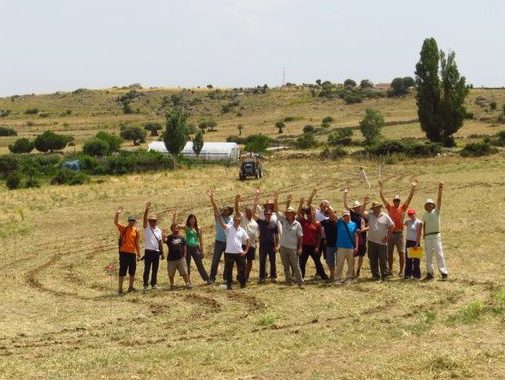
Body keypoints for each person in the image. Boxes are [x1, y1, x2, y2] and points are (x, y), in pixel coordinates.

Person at [379, 179, 417, 277]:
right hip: (391, 233)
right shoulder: (389, 207)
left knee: (401, 252)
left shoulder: (402, 208)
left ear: (399, 201)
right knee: (390, 253)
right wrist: (381, 187)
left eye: (398, 200)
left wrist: (413, 188)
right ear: (393, 201)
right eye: (395, 200)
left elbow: (409, 199)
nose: (396, 201)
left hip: (399, 233)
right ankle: (390, 270)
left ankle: (401, 271)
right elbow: (382, 198)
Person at [214, 205, 250, 290]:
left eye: (238, 220)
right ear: (233, 220)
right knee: (228, 269)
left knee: (241, 269)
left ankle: (242, 284)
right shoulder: (229, 228)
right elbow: (222, 225)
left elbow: (247, 240)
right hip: (229, 252)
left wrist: (246, 251)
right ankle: (229, 284)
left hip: (239, 253)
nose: (236, 221)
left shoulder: (242, 230)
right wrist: (219, 217)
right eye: (235, 220)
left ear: (240, 221)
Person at [274, 194, 304, 288]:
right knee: (286, 266)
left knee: (296, 266)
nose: (289, 214)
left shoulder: (297, 224)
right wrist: (276, 199)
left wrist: (300, 248)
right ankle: (289, 281)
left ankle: (300, 282)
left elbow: (300, 237)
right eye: (287, 213)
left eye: (291, 213)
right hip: (283, 247)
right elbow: (276, 210)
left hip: (293, 248)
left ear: (293, 214)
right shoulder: (283, 221)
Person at [360, 201, 395, 281]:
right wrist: (364, 202)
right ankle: (375, 275)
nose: (375, 209)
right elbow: (361, 212)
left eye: (377, 207)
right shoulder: (370, 215)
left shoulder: (385, 216)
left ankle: (384, 275)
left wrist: (387, 237)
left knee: (383, 259)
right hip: (371, 241)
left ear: (380, 207)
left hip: (382, 242)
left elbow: (392, 226)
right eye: (374, 208)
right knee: (373, 259)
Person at [173, 211, 210, 285]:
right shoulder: (186, 227)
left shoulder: (198, 228)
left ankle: (207, 279)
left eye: (193, 219)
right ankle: (188, 281)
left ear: (195, 220)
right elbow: (175, 225)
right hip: (187, 248)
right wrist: (175, 216)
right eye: (190, 220)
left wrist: (202, 250)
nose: (192, 221)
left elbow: (201, 240)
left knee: (199, 264)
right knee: (187, 264)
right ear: (188, 220)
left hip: (196, 247)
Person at [297, 197, 329, 282]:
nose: (309, 215)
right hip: (304, 245)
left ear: (314, 214)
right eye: (307, 214)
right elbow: (298, 214)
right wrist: (300, 204)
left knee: (317, 262)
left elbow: (319, 236)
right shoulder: (304, 221)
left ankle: (323, 276)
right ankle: (301, 278)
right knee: (302, 263)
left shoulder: (317, 224)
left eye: (310, 213)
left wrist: (317, 247)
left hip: (313, 246)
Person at [252, 190, 280, 283]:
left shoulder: (274, 224)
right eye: (266, 214)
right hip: (263, 245)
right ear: (264, 214)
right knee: (262, 262)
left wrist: (277, 246)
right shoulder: (260, 222)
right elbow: (252, 214)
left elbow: (277, 236)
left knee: (273, 261)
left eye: (269, 214)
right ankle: (261, 277)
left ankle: (273, 276)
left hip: (272, 245)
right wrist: (255, 201)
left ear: (271, 214)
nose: (267, 215)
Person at [422, 183, 448, 281]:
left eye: (430, 204)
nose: (429, 205)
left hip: (436, 236)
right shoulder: (424, 215)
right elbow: (424, 224)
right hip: (428, 237)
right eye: (427, 204)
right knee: (428, 256)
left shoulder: (436, 212)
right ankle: (429, 273)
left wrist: (440, 189)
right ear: (426, 206)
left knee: (439, 254)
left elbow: (439, 200)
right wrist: (423, 234)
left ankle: (444, 273)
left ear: (433, 205)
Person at [114, 207, 141, 295]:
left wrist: (138, 254)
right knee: (122, 271)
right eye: (130, 221)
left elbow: (137, 243)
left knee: (132, 271)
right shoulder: (124, 228)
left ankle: (130, 287)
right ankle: (120, 289)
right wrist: (117, 214)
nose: (132, 222)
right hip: (124, 253)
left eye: (133, 221)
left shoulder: (136, 231)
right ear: (128, 221)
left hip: (132, 253)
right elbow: (116, 223)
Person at [208, 190, 233, 284]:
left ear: (229, 211)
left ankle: (226, 278)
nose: (225, 211)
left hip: (228, 242)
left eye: (227, 210)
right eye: (224, 210)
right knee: (215, 260)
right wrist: (212, 198)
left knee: (227, 261)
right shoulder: (218, 217)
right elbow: (215, 208)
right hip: (219, 242)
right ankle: (212, 278)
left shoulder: (231, 219)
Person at [343, 188, 369, 278]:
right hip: (353, 237)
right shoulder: (352, 214)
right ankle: (353, 270)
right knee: (353, 254)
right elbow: (346, 205)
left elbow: (369, 226)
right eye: (356, 208)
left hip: (363, 236)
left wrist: (363, 230)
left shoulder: (364, 215)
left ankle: (358, 269)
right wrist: (345, 194)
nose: (357, 209)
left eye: (358, 207)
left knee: (361, 254)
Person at [235, 193, 259, 282]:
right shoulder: (242, 218)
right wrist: (236, 201)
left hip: (252, 245)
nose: (249, 213)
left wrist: (256, 240)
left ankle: (247, 276)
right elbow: (237, 210)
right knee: (241, 261)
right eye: (247, 212)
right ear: (245, 213)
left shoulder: (255, 223)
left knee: (249, 261)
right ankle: (240, 276)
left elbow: (256, 234)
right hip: (242, 244)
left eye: (250, 212)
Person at [333, 210, 359, 285]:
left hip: (350, 247)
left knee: (351, 264)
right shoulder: (340, 223)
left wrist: (356, 247)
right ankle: (337, 279)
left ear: (349, 216)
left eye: (347, 215)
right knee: (339, 263)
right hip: (341, 247)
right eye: (344, 216)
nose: (346, 217)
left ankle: (349, 278)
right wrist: (328, 207)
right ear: (343, 217)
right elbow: (333, 215)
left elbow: (356, 236)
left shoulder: (354, 224)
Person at [142, 202, 164, 290]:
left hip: (156, 252)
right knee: (147, 269)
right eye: (151, 221)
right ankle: (145, 285)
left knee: (155, 269)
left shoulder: (159, 230)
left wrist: (162, 253)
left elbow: (160, 242)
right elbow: (144, 219)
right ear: (149, 221)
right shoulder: (146, 227)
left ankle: (153, 284)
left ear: (156, 221)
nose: (152, 222)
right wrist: (146, 209)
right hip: (148, 251)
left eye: (154, 221)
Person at [163, 223, 192, 290]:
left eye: (177, 228)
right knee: (171, 273)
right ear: (172, 230)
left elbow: (184, 246)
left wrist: (184, 255)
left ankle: (187, 283)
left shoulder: (182, 237)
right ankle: (172, 284)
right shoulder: (169, 237)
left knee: (184, 272)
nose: (176, 229)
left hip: (181, 258)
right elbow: (164, 241)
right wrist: (163, 235)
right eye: (174, 228)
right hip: (171, 259)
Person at [319, 205, 338, 281]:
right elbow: (315, 223)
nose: (331, 214)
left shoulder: (338, 221)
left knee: (339, 261)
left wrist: (328, 206)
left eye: (332, 213)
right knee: (330, 261)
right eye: (329, 213)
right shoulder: (325, 222)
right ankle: (332, 276)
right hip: (329, 245)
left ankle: (337, 276)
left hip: (338, 244)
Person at [404, 209, 422, 280]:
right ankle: (408, 274)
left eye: (412, 214)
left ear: (415, 214)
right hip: (408, 242)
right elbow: (400, 222)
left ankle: (416, 275)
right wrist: (403, 215)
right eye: (409, 214)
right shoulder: (408, 222)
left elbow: (419, 233)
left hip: (415, 242)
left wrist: (417, 244)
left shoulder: (419, 222)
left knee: (416, 260)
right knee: (408, 259)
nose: (411, 215)